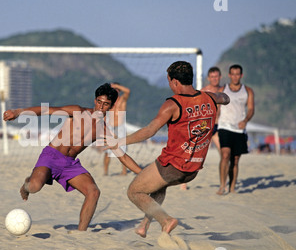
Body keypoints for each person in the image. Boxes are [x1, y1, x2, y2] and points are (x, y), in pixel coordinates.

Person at [105, 61, 230, 238]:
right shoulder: (209, 98)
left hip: (174, 165)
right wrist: (222, 98)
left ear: (176, 82)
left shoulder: (173, 104)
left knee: (134, 191)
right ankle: (144, 226)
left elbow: (149, 131)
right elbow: (224, 98)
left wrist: (120, 142)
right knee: (159, 187)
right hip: (193, 170)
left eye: (169, 81)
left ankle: (166, 220)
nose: (170, 85)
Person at [3, 83, 142, 231]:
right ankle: (26, 184)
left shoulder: (104, 130)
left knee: (93, 192)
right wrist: (18, 112)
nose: (101, 107)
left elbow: (123, 157)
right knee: (34, 187)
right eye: (99, 102)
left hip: (69, 164)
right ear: (95, 100)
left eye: (106, 104)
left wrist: (143, 174)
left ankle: (80, 233)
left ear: (112, 106)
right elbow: (47, 110)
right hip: (51, 156)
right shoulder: (77, 111)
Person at [179, 66, 223, 191]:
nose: (215, 79)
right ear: (209, 78)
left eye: (216, 76)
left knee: (224, 154)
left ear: (220, 77)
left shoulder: (224, 90)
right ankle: (184, 182)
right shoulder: (204, 91)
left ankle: (224, 182)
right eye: (212, 77)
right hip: (205, 127)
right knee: (192, 154)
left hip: (219, 126)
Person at [216, 64, 255, 195]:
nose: (235, 76)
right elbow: (217, 108)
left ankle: (232, 187)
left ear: (241, 75)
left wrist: (245, 121)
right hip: (224, 126)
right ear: (229, 75)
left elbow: (250, 109)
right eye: (233, 74)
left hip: (239, 129)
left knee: (235, 159)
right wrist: (215, 120)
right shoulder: (223, 89)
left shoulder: (248, 91)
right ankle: (222, 186)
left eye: (237, 74)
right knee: (225, 154)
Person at [103, 82, 130, 176]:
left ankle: (124, 171)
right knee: (108, 150)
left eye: (115, 90)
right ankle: (105, 172)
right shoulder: (109, 101)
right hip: (110, 126)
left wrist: (116, 86)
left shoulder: (122, 99)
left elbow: (128, 91)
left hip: (120, 125)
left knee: (122, 149)